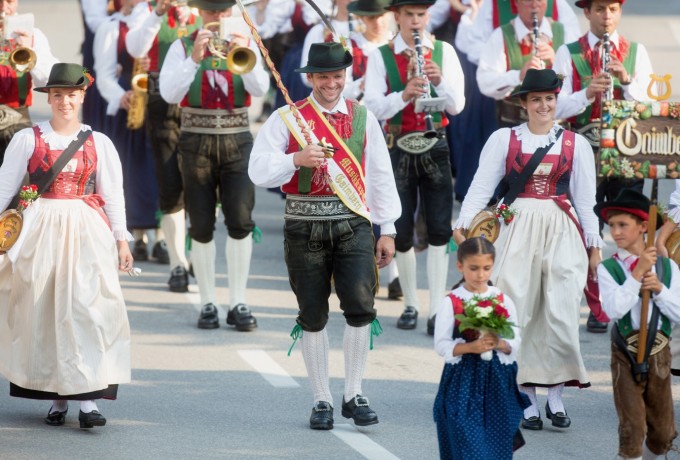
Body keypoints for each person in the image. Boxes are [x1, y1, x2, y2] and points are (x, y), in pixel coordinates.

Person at [249, 41, 401, 430]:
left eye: (337, 76)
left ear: (345, 76)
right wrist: (295, 159)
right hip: (303, 223)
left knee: (361, 306)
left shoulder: (363, 118)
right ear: (311, 78)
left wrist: (388, 229)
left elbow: (380, 175)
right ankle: (321, 399)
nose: (331, 83)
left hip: (353, 222)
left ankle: (354, 393)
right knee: (313, 313)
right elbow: (258, 169)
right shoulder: (286, 117)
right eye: (323, 76)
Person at [453, 69, 600, 430]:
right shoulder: (504, 139)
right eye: (536, 99)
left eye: (549, 98)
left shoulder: (575, 144)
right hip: (516, 228)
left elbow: (586, 201)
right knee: (518, 309)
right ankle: (526, 397)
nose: (544, 105)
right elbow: (481, 186)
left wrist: (594, 245)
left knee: (561, 311)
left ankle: (556, 396)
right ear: (523, 103)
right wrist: (465, 225)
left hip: (561, 229)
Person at [0, 63, 133, 429]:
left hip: (85, 228)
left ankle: (88, 400)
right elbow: (5, 187)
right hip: (39, 226)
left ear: (82, 96)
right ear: (49, 98)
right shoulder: (27, 139)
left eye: (71, 95)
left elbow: (113, 194)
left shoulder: (99, 142)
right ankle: (57, 397)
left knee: (87, 308)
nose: (64, 102)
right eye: (58, 95)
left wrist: (121, 239)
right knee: (44, 309)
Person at [159, 0, 269, 330]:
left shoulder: (246, 42)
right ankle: (208, 302)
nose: (218, 18)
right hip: (196, 139)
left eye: (223, 12)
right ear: (200, 14)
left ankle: (238, 301)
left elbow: (261, 88)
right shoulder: (181, 47)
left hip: (237, 137)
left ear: (230, 13)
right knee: (201, 223)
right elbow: (169, 94)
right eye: (211, 12)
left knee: (240, 220)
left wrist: (242, 55)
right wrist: (194, 59)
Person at [364, 0, 465, 334]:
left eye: (421, 15)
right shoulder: (380, 56)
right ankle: (410, 304)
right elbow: (372, 107)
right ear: (397, 16)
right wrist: (404, 94)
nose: (416, 21)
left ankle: (436, 308)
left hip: (436, 144)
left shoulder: (444, 52)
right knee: (402, 228)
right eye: (409, 15)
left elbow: (457, 105)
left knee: (439, 229)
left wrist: (440, 81)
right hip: (397, 146)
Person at [553, 0, 653, 333]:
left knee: (630, 228)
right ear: (587, 13)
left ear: (620, 12)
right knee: (587, 229)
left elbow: (651, 107)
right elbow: (555, 107)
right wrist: (586, 93)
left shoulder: (636, 52)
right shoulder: (568, 53)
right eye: (599, 9)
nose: (606, 16)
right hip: (584, 150)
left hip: (627, 152)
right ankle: (596, 305)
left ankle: (630, 298)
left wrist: (627, 82)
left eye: (612, 9)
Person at [595, 189, 680, 460]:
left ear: (644, 227)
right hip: (625, 352)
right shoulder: (608, 269)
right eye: (612, 225)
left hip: (659, 353)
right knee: (632, 430)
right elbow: (612, 310)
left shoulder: (668, 268)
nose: (616, 232)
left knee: (662, 435)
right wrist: (636, 274)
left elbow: (678, 313)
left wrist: (659, 290)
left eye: (623, 225)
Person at [126, 0, 202, 292]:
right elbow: (136, 48)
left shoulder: (208, 10)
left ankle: (197, 253)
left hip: (205, 102)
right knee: (171, 184)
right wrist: (158, 12)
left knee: (206, 184)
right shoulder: (147, 9)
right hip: (163, 102)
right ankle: (177, 265)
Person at [433, 237, 528, 460]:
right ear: (460, 266)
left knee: (496, 439)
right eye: (473, 268)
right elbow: (442, 344)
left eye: (486, 268)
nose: (480, 275)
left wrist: (499, 343)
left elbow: (514, 339)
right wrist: (470, 347)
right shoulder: (452, 302)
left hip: (496, 379)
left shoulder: (502, 299)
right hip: (463, 380)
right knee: (465, 438)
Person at [94, 0, 164, 262]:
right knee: (130, 171)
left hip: (159, 96)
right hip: (129, 101)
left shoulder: (160, 18)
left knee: (160, 169)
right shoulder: (111, 26)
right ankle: (137, 234)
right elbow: (104, 73)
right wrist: (120, 96)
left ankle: (161, 236)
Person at [476, 0, 580, 127]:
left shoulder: (565, 32)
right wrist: (519, 76)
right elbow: (485, 82)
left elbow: (577, 84)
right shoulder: (500, 35)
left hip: (556, 125)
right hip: (514, 124)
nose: (534, 5)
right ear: (516, 3)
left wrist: (557, 62)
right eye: (527, 0)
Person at [0, 0, 58, 166]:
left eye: (9, 1)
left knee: (20, 178)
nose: (3, 7)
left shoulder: (33, 34)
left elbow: (50, 80)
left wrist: (30, 52)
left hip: (18, 120)